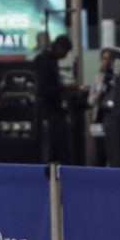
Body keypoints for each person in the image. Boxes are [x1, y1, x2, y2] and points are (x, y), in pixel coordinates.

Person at [35, 34, 74, 164]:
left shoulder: (48, 60)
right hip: (50, 109)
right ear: (59, 48)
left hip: (50, 108)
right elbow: (46, 87)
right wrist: (63, 89)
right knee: (55, 143)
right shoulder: (46, 62)